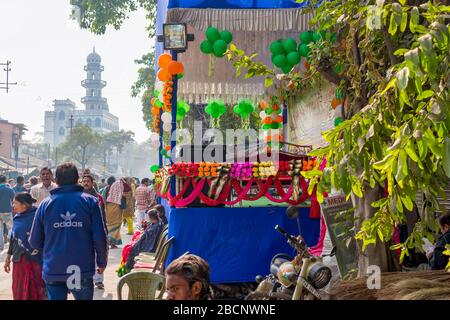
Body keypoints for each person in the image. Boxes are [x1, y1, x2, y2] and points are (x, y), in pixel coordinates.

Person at [29, 162, 108, 300]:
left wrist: (51, 251)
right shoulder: (91, 202)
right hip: (81, 269)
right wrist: (101, 262)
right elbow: (100, 237)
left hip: (53, 268)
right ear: (77, 179)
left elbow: (34, 241)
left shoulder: (45, 204)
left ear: (56, 180)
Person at [3, 193, 46, 300]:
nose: (13, 205)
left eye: (15, 203)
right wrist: (8, 257)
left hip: (36, 260)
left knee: (38, 290)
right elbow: (14, 238)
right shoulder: (17, 217)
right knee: (20, 290)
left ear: (24, 204)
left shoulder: (38, 216)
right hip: (19, 260)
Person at [82, 174, 107, 290]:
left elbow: (103, 215)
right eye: (84, 181)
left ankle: (98, 280)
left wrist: (104, 230)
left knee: (99, 254)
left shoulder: (98, 198)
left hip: (96, 229)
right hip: (82, 230)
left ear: (92, 183)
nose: (86, 183)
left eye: (88, 181)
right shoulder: (79, 197)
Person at [105, 177, 124, 249]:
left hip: (108, 209)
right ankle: (112, 242)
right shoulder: (118, 188)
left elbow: (103, 199)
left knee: (109, 225)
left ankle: (108, 241)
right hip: (116, 208)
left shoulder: (106, 189)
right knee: (116, 224)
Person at [0, 175, 15, 251]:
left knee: (0, 229)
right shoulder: (9, 189)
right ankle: (10, 239)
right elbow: (14, 200)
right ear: (6, 181)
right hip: (7, 212)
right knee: (10, 228)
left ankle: (1, 246)